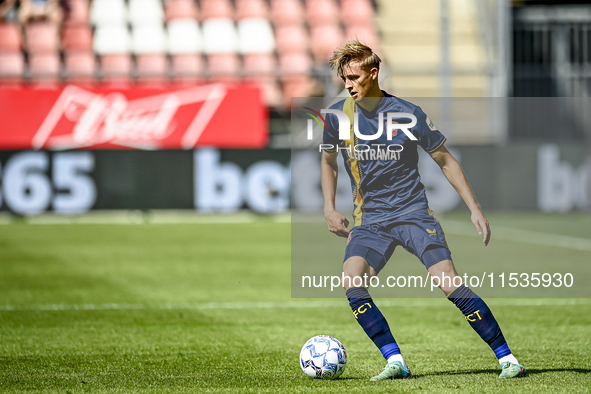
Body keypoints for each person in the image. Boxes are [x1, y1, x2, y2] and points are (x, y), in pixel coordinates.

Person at [320, 40, 526, 380]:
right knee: (352, 282)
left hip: (413, 214)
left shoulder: (408, 113)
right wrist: (328, 206)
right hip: (369, 220)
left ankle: (508, 358)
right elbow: (328, 162)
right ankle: (395, 361)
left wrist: (474, 209)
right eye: (344, 79)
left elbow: (445, 159)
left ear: (373, 73)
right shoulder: (336, 117)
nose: (348, 85)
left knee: (449, 284)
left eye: (354, 77)